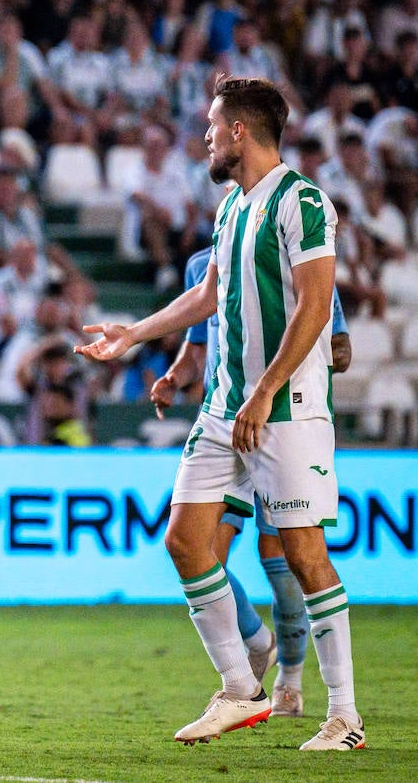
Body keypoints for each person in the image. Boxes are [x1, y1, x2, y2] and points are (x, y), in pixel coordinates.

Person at [77, 76, 363, 751]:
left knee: (303, 553)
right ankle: (241, 688)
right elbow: (206, 295)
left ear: (240, 130)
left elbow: (317, 309)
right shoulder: (231, 206)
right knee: (182, 540)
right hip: (222, 407)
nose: (203, 136)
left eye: (211, 125)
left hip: (285, 407)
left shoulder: (303, 202)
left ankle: (344, 716)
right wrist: (134, 335)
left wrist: (265, 391)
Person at [151, 246, 354, 720]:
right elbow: (200, 339)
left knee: (284, 555)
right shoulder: (203, 262)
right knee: (199, 549)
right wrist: (177, 375)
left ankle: (292, 679)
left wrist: (300, 365)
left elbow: (337, 342)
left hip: (280, 419)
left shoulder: (294, 254)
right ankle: (257, 643)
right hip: (225, 419)